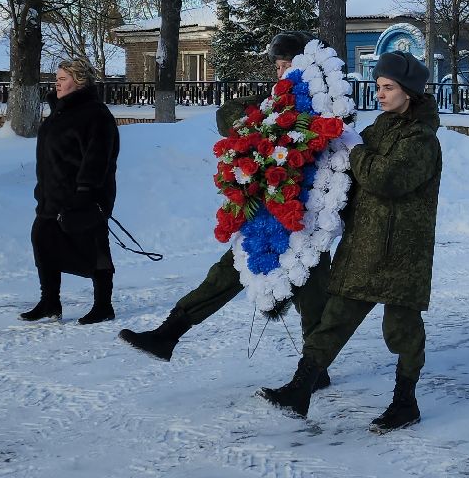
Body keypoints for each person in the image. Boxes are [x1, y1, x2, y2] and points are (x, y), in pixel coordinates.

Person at [120, 33, 336, 363]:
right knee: (227, 273)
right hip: (265, 215)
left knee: (313, 291)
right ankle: (168, 334)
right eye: (278, 66)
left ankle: (315, 368)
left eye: (289, 66)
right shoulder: (270, 104)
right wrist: (259, 124)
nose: (282, 73)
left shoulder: (327, 107)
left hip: (306, 217)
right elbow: (227, 116)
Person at [261, 52, 442, 430]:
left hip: (402, 252)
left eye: (388, 87)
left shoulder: (422, 139)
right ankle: (300, 388)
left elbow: (386, 179)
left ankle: (405, 402)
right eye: (378, 87)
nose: (380, 94)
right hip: (364, 245)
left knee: (402, 331)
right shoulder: (382, 127)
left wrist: (355, 150)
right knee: (334, 319)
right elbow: (350, 168)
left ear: (409, 92)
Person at [22, 58, 121, 324]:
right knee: (42, 240)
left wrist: (85, 191)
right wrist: (42, 189)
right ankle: (50, 302)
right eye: (57, 78)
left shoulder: (95, 114)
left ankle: (103, 306)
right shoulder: (59, 112)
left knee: (95, 248)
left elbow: (99, 157)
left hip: (85, 196)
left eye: (62, 79)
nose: (57, 83)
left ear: (79, 82)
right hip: (52, 195)